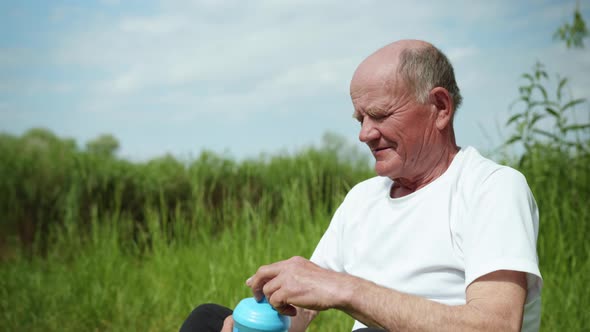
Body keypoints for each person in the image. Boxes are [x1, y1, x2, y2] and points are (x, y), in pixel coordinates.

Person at [180, 39, 542, 332]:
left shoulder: (491, 188)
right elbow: (303, 308)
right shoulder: (363, 198)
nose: (364, 134)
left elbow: (495, 325)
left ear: (440, 107)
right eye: (361, 118)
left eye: (381, 115)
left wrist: (348, 290)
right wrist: (258, 323)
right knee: (207, 320)